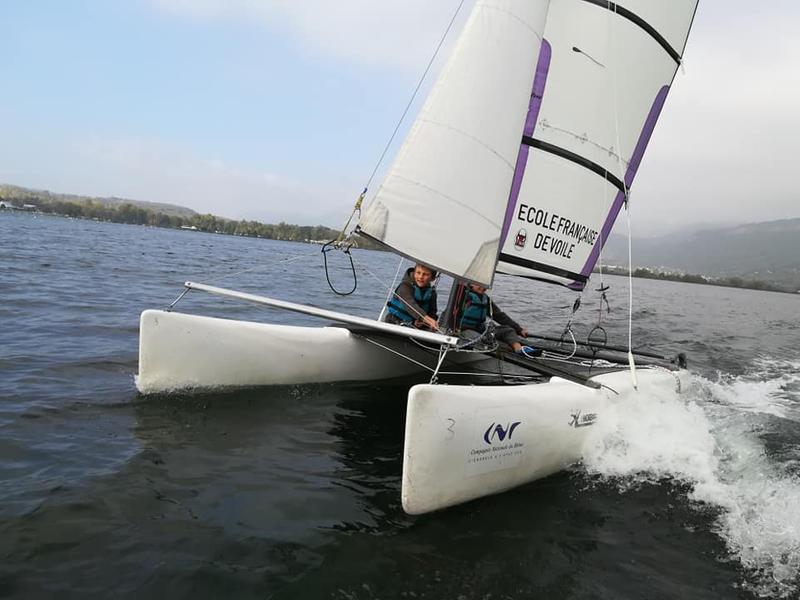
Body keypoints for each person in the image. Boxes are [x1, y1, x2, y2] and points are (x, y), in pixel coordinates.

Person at [458, 282, 541, 356]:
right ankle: (504, 348)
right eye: (479, 285)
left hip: (480, 328)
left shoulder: (485, 299)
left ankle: (518, 349)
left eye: (485, 285)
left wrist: (519, 330)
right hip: (464, 329)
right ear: (471, 283)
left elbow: (500, 316)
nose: (483, 287)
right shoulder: (462, 294)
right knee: (481, 339)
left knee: (508, 330)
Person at [384, 263, 439, 331]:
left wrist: (428, 322)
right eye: (418, 273)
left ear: (432, 278)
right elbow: (410, 306)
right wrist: (425, 319)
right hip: (394, 321)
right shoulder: (404, 286)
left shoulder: (432, 293)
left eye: (425, 274)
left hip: (414, 325)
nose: (420, 277)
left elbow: (432, 311)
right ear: (414, 272)